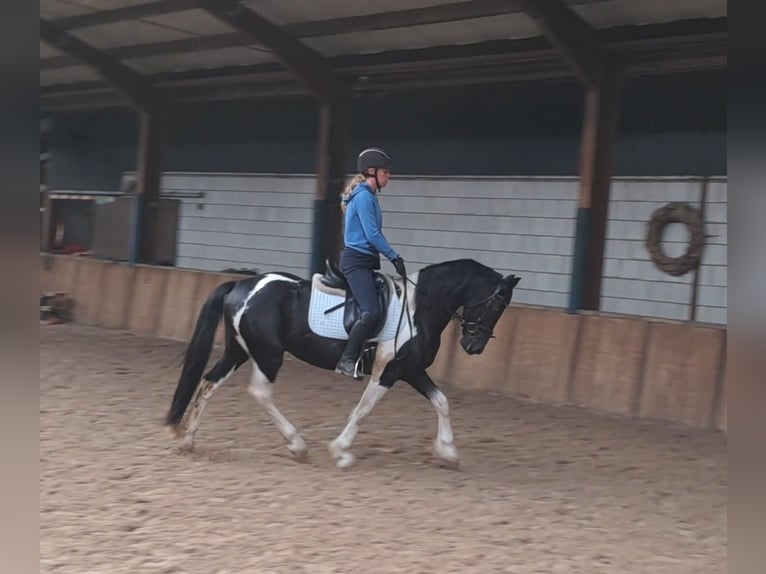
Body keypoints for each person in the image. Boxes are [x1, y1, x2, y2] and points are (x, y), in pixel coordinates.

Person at [335, 147, 407, 379]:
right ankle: (346, 360)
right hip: (356, 262)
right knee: (371, 312)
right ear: (372, 172)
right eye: (385, 172)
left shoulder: (369, 196)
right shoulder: (365, 197)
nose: (389, 176)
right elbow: (372, 234)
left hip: (365, 262)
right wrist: (394, 256)